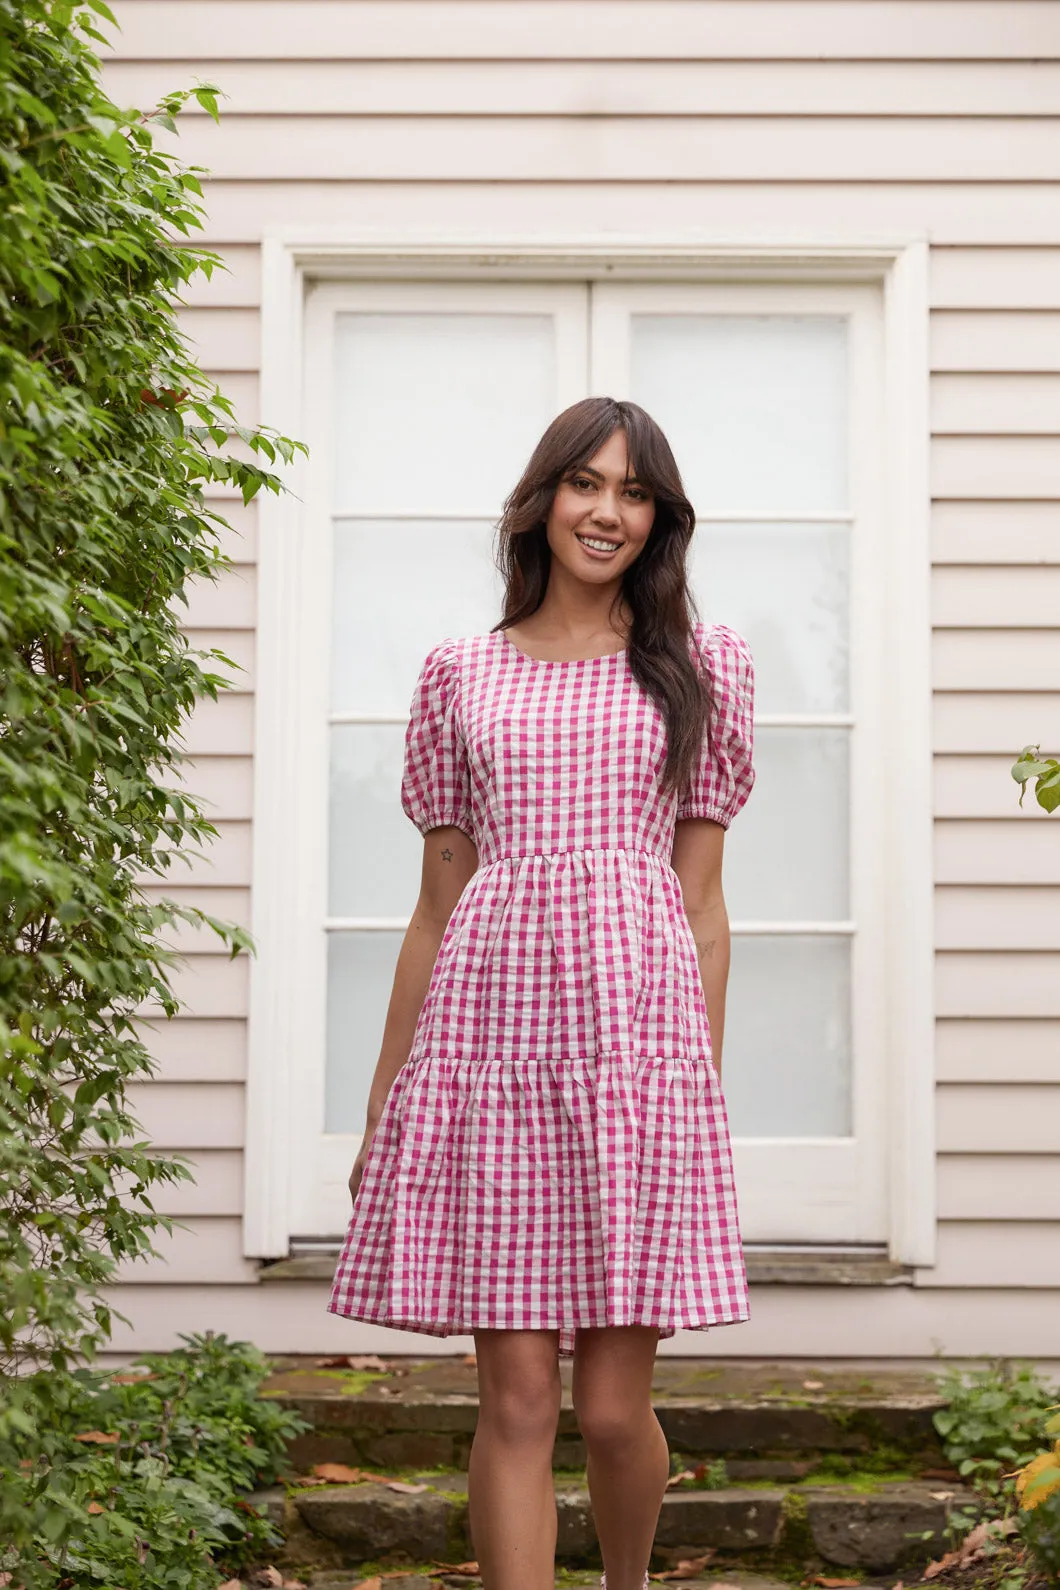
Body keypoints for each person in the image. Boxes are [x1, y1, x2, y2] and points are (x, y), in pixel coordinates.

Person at [328, 395, 756, 1590]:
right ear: (542, 502)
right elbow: (435, 904)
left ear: (658, 518)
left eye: (631, 492)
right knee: (515, 1401)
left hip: (636, 1052)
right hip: (491, 1050)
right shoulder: (460, 672)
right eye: (583, 484)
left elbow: (705, 905)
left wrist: (694, 1092)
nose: (605, 511)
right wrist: (384, 1098)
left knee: (615, 1411)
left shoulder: (699, 668)